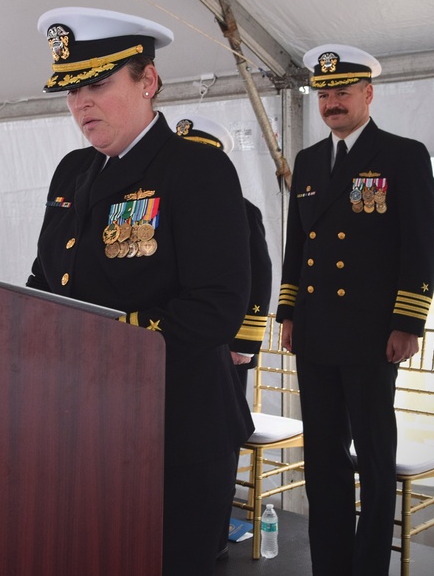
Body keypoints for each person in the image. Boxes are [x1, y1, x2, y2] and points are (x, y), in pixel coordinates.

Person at [25, 7, 254, 575]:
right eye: (71, 90)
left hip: (175, 428)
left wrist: (104, 335)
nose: (81, 104)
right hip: (84, 421)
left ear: (147, 81)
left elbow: (217, 307)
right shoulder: (72, 171)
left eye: (98, 84)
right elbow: (45, 275)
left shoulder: (196, 170)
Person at [277, 44, 434, 575]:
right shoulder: (306, 161)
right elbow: (296, 244)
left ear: (368, 93)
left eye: (343, 92)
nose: (332, 102)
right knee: (323, 456)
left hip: (372, 335)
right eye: (324, 93)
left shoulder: (401, 154)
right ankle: (330, 563)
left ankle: (369, 566)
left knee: (372, 459)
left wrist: (408, 322)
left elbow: (421, 243)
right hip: (318, 333)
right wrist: (289, 313)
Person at [173, 113, 273, 560]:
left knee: (221, 439)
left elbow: (259, 277)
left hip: (224, 346)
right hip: (182, 343)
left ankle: (214, 534)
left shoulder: (242, 209)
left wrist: (244, 343)